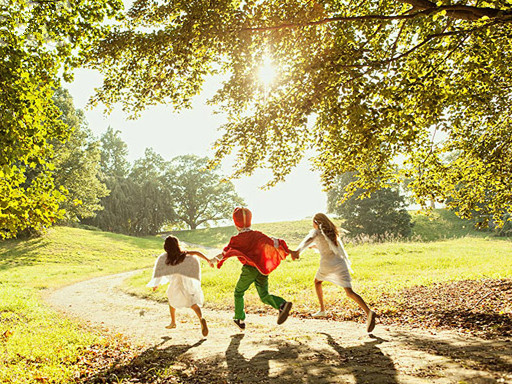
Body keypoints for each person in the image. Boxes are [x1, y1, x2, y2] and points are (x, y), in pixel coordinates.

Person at [290, 213, 377, 333]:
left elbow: (306, 241)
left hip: (327, 264)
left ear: (316, 222)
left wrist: (297, 251)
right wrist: (315, 247)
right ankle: (369, 312)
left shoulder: (315, 233)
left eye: (313, 222)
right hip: (340, 264)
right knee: (349, 292)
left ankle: (322, 309)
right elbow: (327, 246)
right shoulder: (331, 233)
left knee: (317, 282)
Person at [214, 207, 295, 330]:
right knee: (264, 295)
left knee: (238, 292)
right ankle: (282, 304)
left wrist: (213, 260)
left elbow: (225, 253)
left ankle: (239, 318)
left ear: (236, 224)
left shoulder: (236, 240)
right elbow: (274, 242)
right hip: (262, 269)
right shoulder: (257, 235)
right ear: (250, 221)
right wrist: (288, 250)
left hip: (249, 270)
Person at [147, 235, 215, 337]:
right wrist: (208, 260)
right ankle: (201, 318)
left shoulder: (166, 257)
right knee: (192, 302)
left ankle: (173, 322)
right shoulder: (184, 253)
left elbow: (159, 270)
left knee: (171, 299)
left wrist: (156, 284)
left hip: (176, 282)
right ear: (177, 244)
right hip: (187, 281)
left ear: (166, 246)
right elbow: (197, 253)